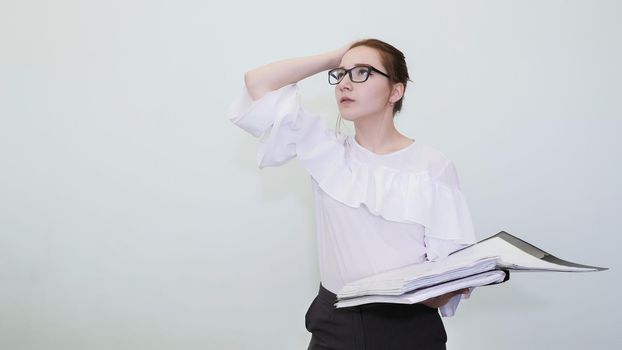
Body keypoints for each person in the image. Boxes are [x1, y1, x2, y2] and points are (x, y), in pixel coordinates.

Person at [228, 39, 476, 350]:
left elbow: (448, 279)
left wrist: (454, 283)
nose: (345, 83)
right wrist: (335, 56)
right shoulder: (326, 150)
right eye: (341, 74)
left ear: (395, 91)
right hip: (334, 326)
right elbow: (257, 82)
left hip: (408, 328)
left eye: (362, 73)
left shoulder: (432, 166)